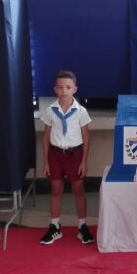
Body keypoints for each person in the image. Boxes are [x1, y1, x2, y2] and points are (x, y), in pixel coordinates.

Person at [39, 70, 94, 245]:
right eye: (61, 87)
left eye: (68, 87)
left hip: (75, 155)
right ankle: (55, 227)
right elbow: (46, 137)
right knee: (56, 190)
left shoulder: (81, 111)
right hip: (55, 155)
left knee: (78, 190)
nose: (64, 91)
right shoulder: (50, 111)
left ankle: (82, 227)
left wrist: (84, 162)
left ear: (74, 89)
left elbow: (86, 137)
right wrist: (46, 161)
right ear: (55, 89)